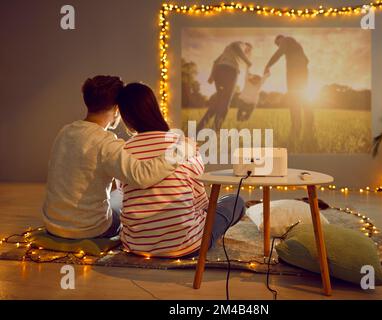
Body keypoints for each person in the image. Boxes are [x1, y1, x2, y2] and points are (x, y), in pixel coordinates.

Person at [42, 75, 183, 240]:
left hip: (52, 225)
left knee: (118, 193)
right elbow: (142, 176)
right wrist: (179, 151)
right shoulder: (106, 142)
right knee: (124, 196)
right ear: (117, 109)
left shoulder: (64, 131)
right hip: (89, 230)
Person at [117, 83, 246, 258]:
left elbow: (123, 191)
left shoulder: (123, 151)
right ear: (155, 109)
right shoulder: (184, 145)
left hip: (136, 244)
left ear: (126, 118)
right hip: (187, 245)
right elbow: (200, 201)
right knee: (235, 201)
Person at [264, 35, 315, 151]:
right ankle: (309, 128)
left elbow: (280, 52)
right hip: (303, 72)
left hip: (294, 73)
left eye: (277, 43)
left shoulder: (286, 40)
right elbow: (307, 60)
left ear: (280, 39)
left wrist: (268, 65)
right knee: (305, 99)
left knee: (294, 101)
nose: (278, 45)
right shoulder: (296, 44)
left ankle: (296, 129)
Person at [197, 41, 253, 132]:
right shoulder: (241, 44)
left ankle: (199, 128)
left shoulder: (228, 50)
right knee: (226, 102)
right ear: (247, 47)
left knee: (219, 101)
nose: (247, 53)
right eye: (248, 51)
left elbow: (215, 61)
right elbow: (236, 46)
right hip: (230, 71)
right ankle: (215, 130)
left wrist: (212, 75)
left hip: (219, 71)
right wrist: (247, 61)